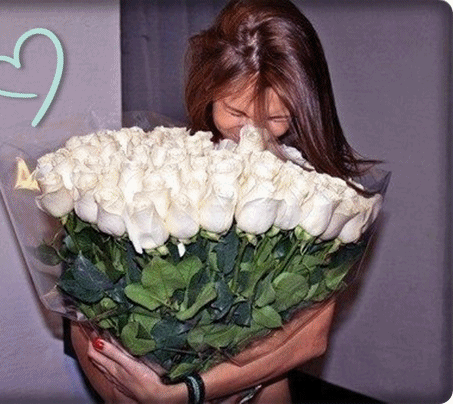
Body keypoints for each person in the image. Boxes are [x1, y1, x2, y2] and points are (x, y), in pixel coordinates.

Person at [70, 0, 376, 402]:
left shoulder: (317, 189)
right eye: (236, 111)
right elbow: (84, 306)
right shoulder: (163, 166)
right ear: (208, 87)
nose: (252, 134)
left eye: (276, 118)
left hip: (259, 389)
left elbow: (310, 338)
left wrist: (187, 392)